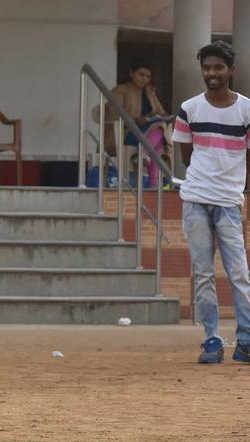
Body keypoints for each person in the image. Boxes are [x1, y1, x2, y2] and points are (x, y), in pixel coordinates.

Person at [172, 41, 250, 364]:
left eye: (218, 67)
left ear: (231, 70)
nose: (212, 73)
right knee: (203, 274)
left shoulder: (246, 110)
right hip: (195, 201)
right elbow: (187, 156)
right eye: (207, 67)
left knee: (239, 273)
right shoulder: (189, 109)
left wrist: (243, 196)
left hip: (230, 203)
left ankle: (245, 340)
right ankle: (212, 340)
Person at [107, 63, 173, 187]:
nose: (145, 79)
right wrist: (135, 120)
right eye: (141, 74)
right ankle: (153, 182)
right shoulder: (120, 90)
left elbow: (160, 111)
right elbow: (114, 114)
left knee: (160, 126)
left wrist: (165, 116)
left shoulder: (149, 92)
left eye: (148, 76)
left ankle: (143, 155)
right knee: (160, 131)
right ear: (132, 73)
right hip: (126, 133)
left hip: (147, 134)